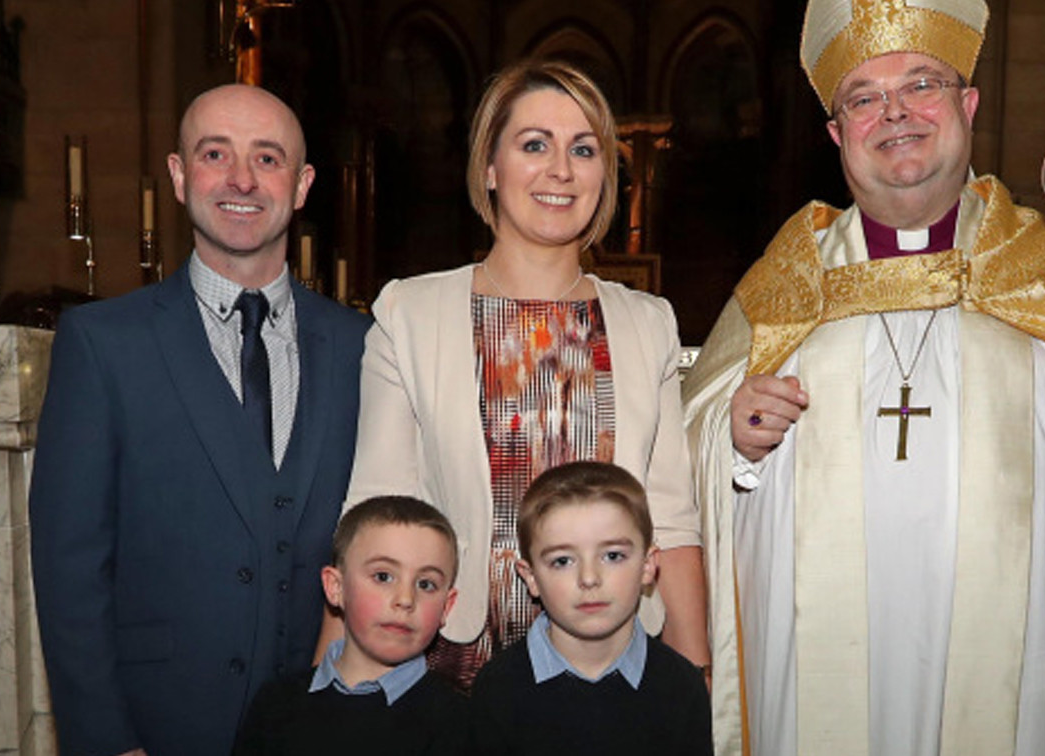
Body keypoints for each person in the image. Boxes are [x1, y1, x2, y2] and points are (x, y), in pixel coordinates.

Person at [682, 2, 1045, 754]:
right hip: (813, 661)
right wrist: (729, 446)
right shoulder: (780, 287)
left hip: (1011, 663)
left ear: (968, 105)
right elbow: (683, 468)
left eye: (922, 84)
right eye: (863, 98)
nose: (894, 113)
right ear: (837, 134)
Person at [340, 59, 707, 691]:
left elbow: (669, 518)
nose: (560, 170)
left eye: (584, 149)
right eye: (534, 144)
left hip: (614, 671)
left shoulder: (648, 322)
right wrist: (346, 686)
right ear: (490, 166)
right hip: (455, 672)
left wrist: (693, 673)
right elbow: (376, 514)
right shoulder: (411, 313)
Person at [29, 84, 371, 756]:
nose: (241, 178)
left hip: (320, 728)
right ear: (180, 176)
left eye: (267, 159)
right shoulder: (104, 344)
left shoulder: (360, 346)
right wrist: (106, 740)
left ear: (301, 186)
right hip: (159, 726)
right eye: (216, 154)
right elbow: (70, 566)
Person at [469, 462, 713, 755]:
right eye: (562, 561)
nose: (589, 578)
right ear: (531, 577)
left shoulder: (681, 685)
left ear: (648, 566)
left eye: (612, 555)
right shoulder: (498, 687)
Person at [233, 496, 468, 755]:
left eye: (426, 584)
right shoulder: (276, 704)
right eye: (383, 576)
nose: (405, 599)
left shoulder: (460, 724)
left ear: (447, 606)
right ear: (336, 587)